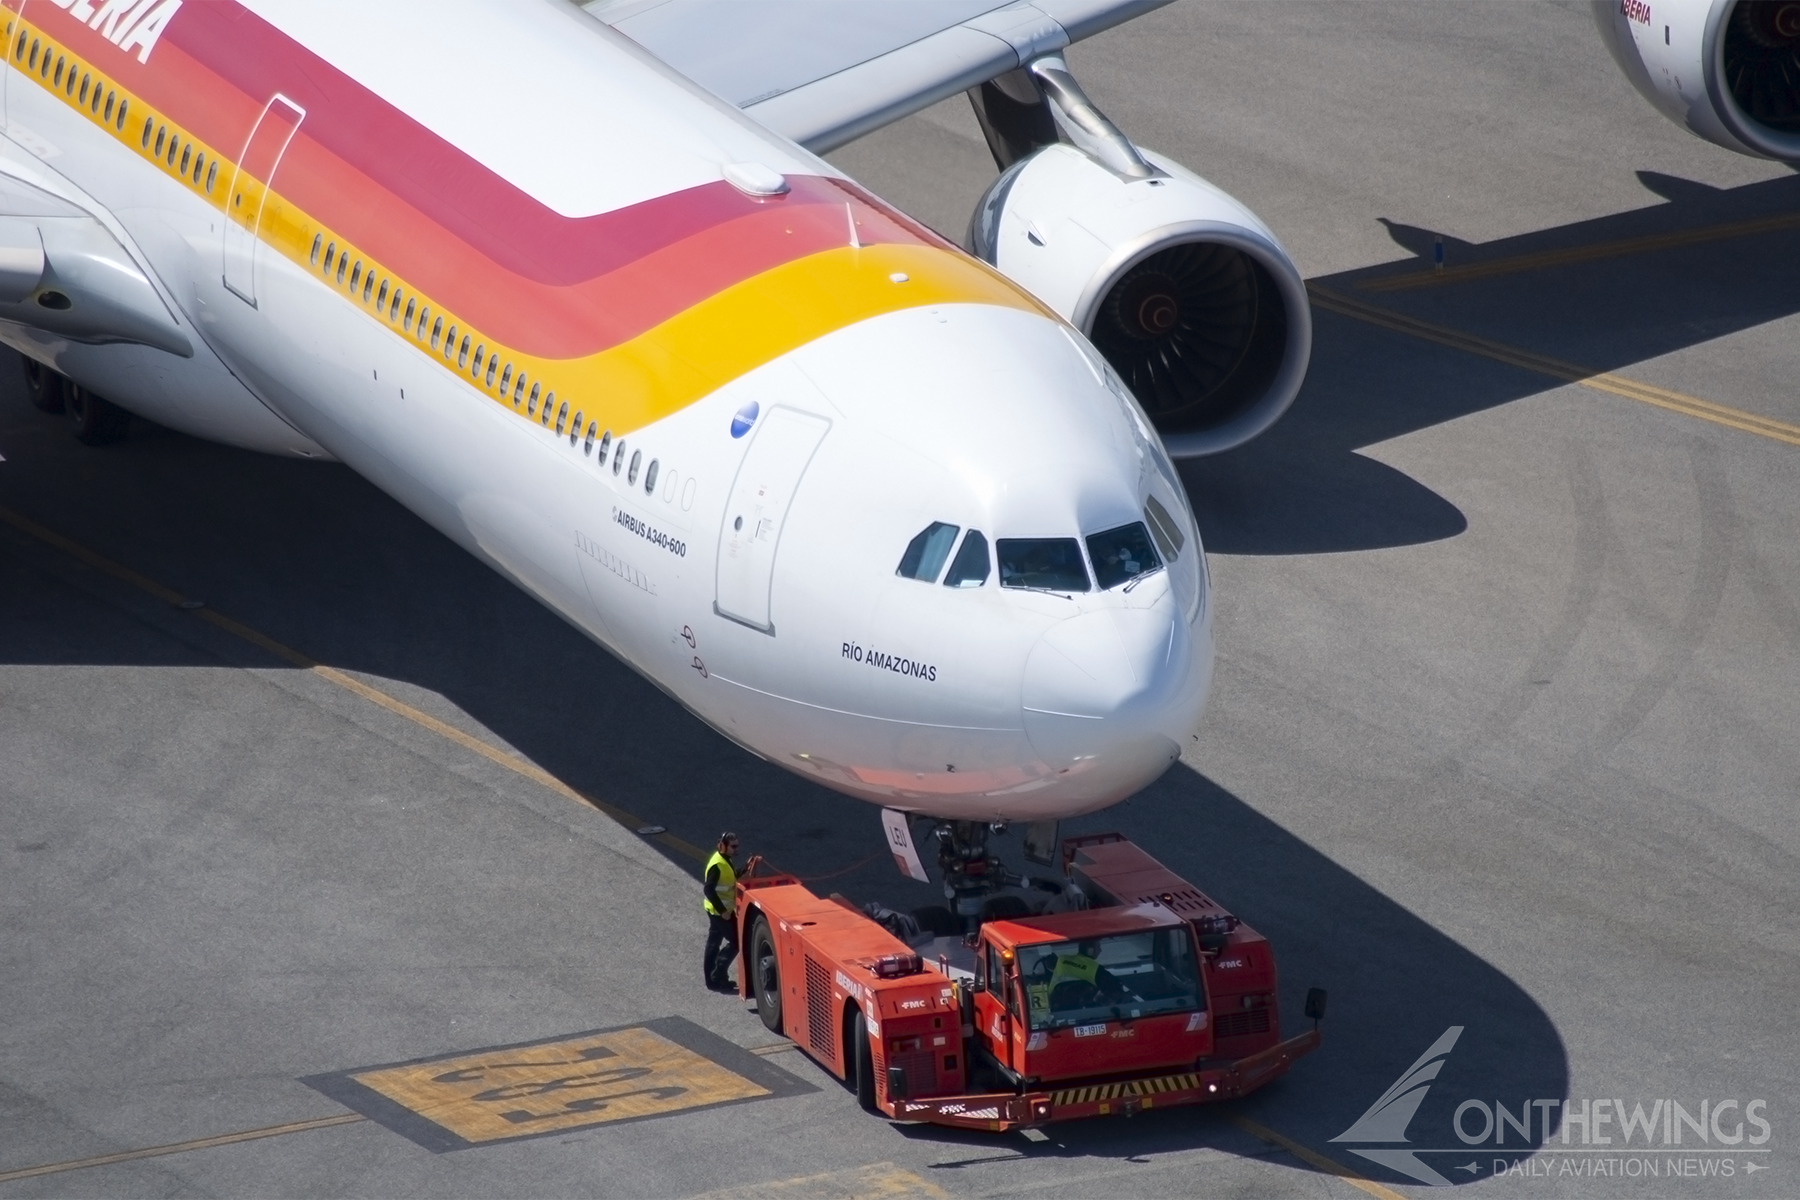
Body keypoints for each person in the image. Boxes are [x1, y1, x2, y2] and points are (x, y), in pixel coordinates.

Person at [702, 832, 741, 993]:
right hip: (719, 912)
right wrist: (723, 911)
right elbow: (708, 890)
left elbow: (730, 879)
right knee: (736, 942)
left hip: (716, 910)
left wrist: (746, 867)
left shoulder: (725, 860)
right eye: (733, 846)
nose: (736, 849)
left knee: (713, 943)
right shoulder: (718, 865)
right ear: (723, 846)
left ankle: (712, 981)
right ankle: (717, 975)